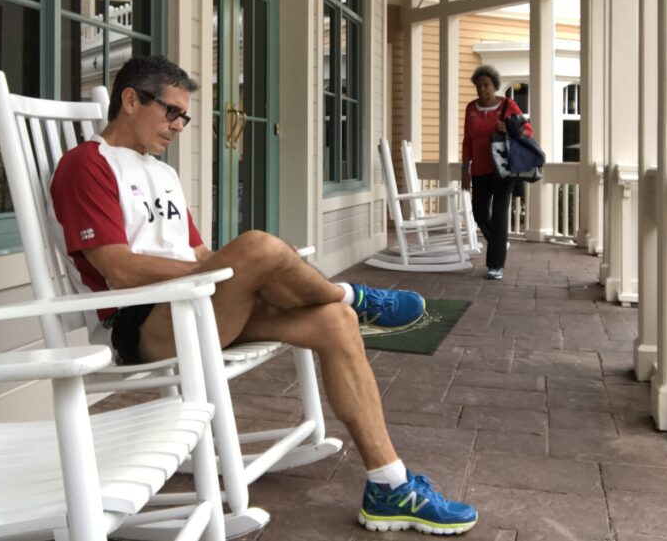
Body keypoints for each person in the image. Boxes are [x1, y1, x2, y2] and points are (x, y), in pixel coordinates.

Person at [49, 55, 478, 536]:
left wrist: (238, 269)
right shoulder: (86, 164)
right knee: (259, 246)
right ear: (130, 100)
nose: (178, 126)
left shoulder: (163, 175)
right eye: (172, 112)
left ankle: (389, 485)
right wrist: (236, 265)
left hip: (199, 308)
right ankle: (349, 293)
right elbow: (119, 268)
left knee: (333, 321)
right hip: (144, 324)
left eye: (183, 117)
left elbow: (200, 253)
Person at [461, 64, 532, 281]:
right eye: (478, 86)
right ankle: (500, 243)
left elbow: (527, 131)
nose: (482, 89)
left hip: (503, 170)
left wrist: (508, 127)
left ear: (495, 86)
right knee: (479, 211)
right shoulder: (471, 109)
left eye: (486, 85)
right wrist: (465, 169)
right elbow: (467, 141)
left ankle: (495, 265)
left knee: (500, 215)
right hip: (480, 169)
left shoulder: (507, 105)